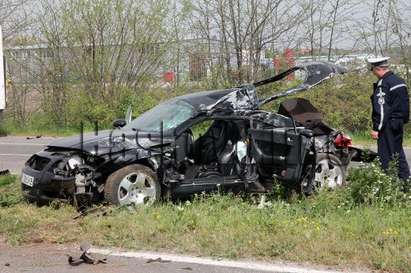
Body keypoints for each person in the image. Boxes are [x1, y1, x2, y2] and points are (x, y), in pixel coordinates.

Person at [368, 56, 410, 180]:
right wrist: (403, 120)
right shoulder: (399, 81)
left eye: (372, 70)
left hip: (388, 125)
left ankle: (386, 184)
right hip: (398, 122)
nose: (373, 73)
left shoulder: (383, 84)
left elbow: (381, 109)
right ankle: (405, 182)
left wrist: (377, 128)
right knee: (398, 153)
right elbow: (405, 104)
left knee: (385, 155)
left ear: (377, 69)